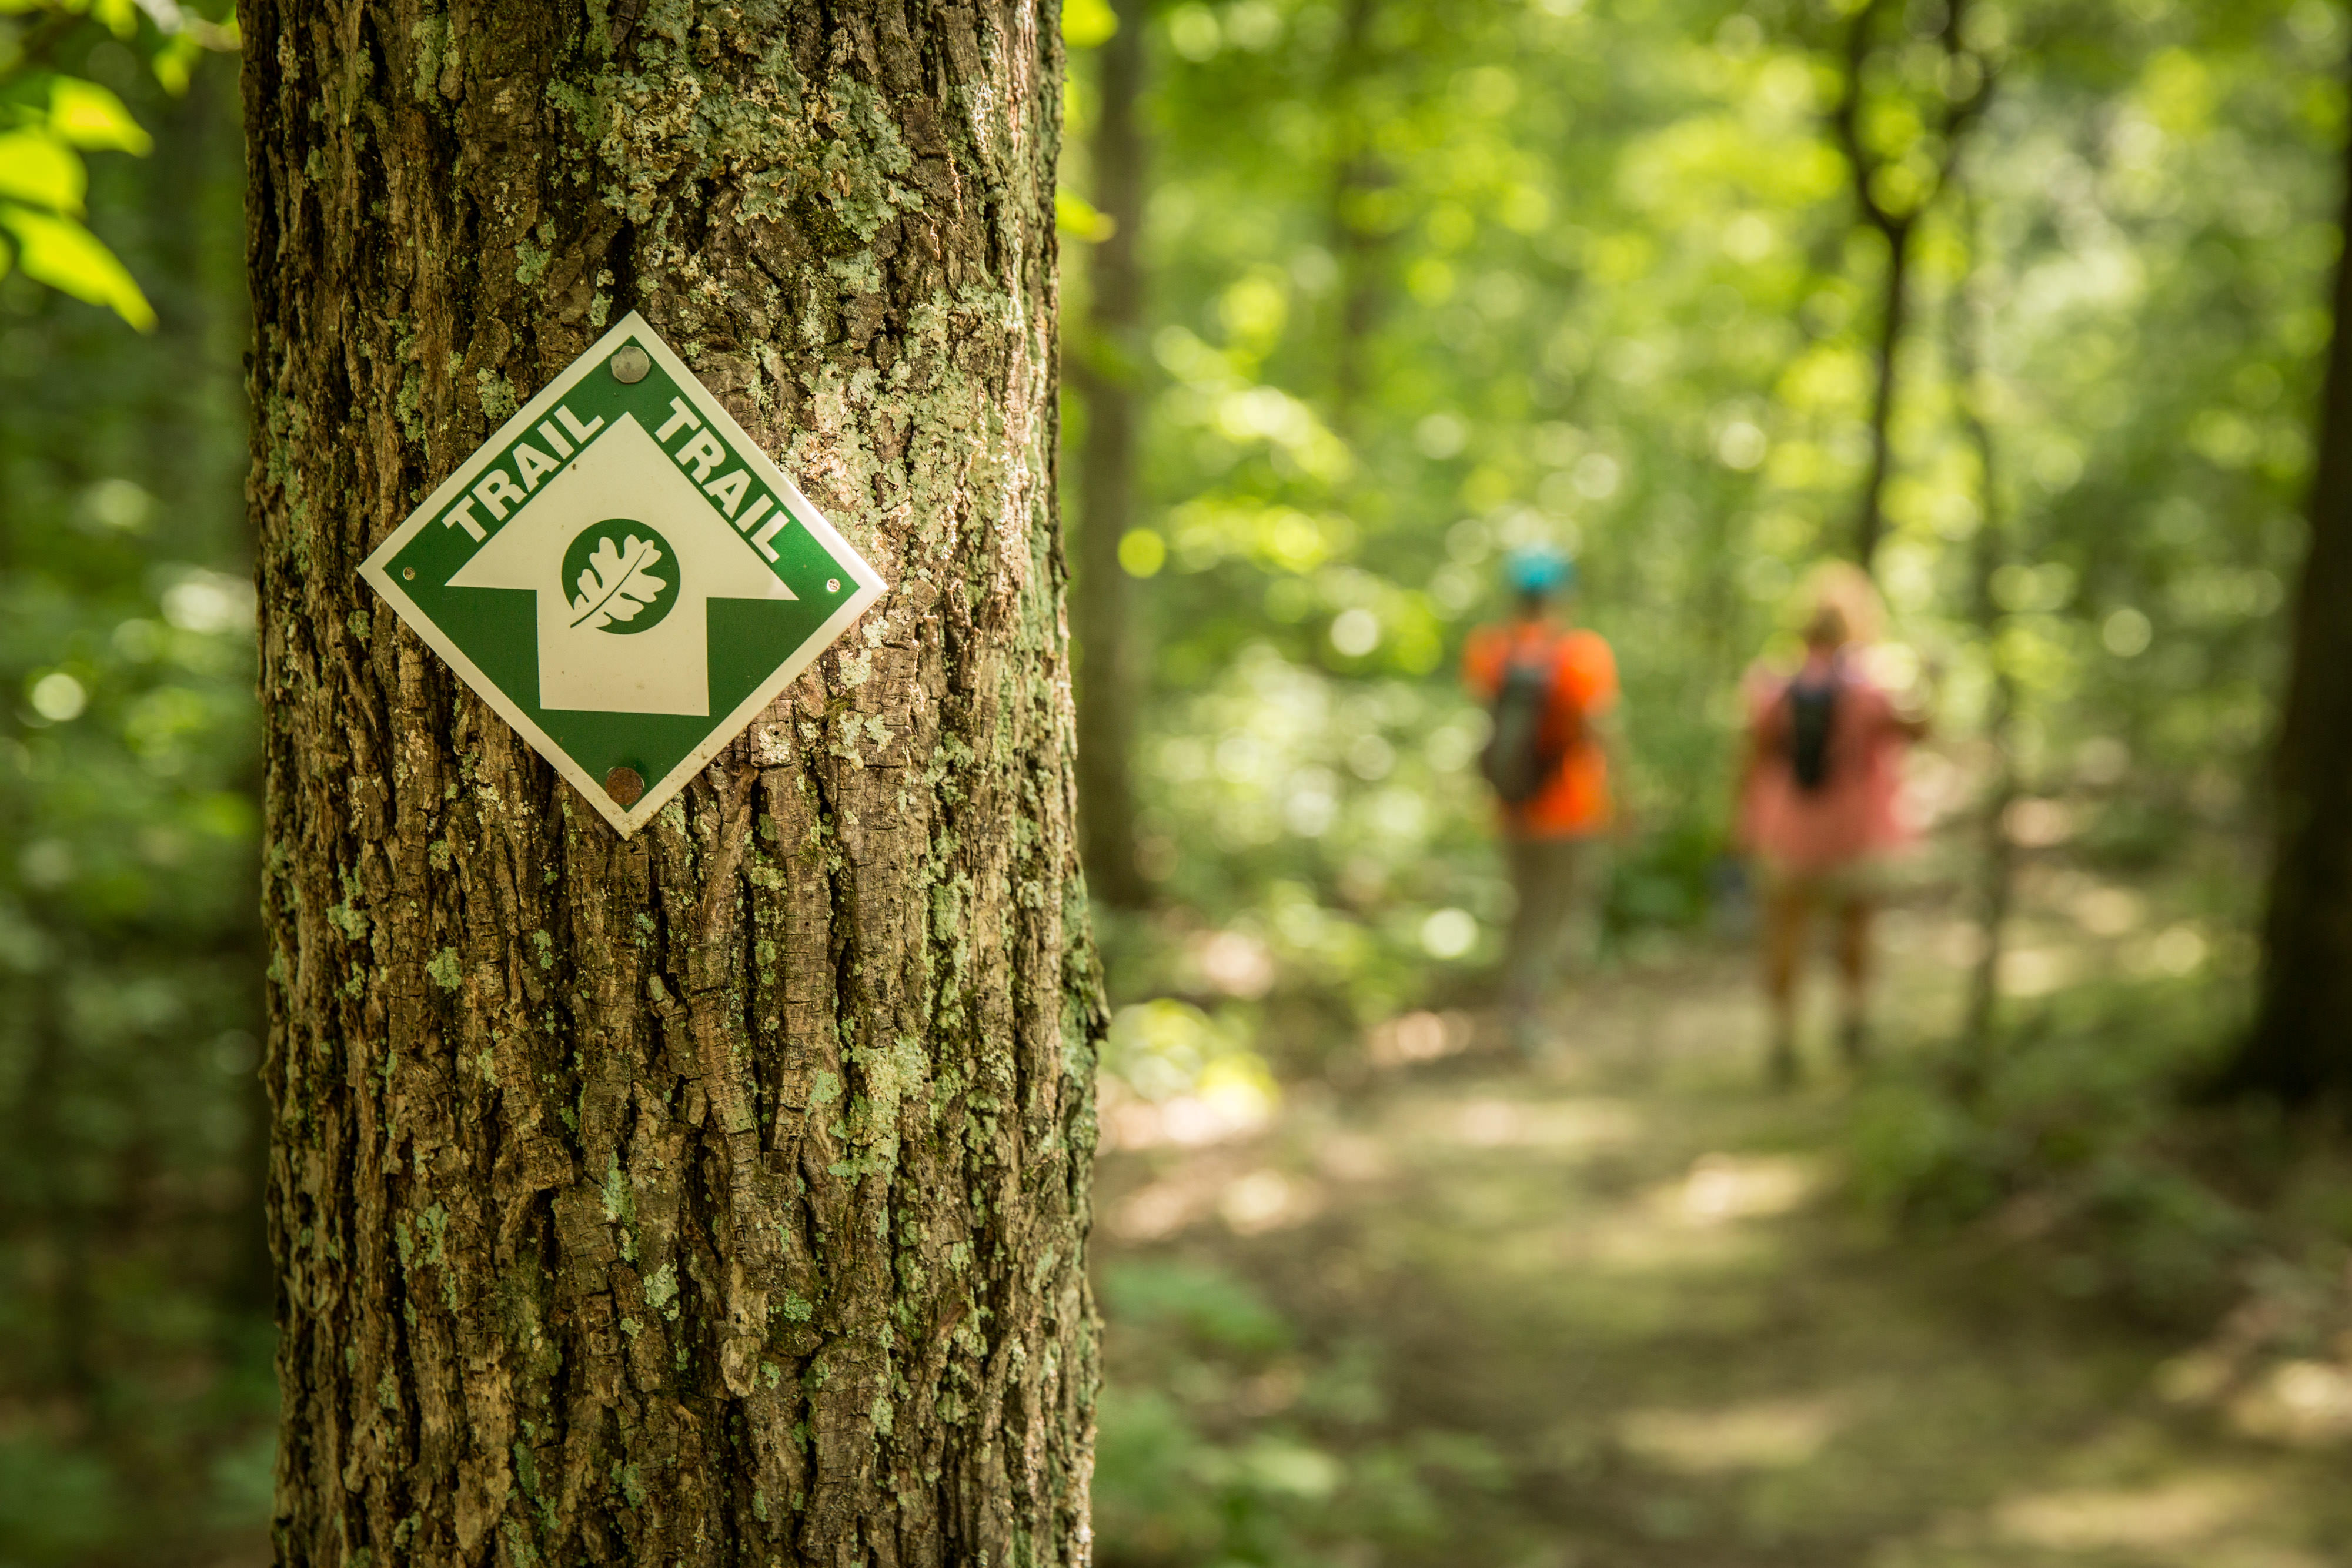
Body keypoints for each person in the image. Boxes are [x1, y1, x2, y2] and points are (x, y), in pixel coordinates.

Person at [1736, 569, 1926, 1085]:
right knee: (1856, 925)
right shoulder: (1871, 684)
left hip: (1785, 830)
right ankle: (1854, 1021)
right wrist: (1933, 681)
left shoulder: (1772, 682)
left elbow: (1753, 756)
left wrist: (1741, 826)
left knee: (1784, 931)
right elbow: (1917, 731)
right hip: (1854, 830)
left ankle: (1782, 1038)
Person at [1462, 545, 1623, 1052]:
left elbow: (1486, 723)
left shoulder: (1489, 649)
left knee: (1524, 909)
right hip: (1572, 808)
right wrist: (1624, 796)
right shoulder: (1583, 654)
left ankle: (1521, 1008)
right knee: (1559, 915)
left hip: (1511, 808)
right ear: (1562, 595)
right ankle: (1534, 1015)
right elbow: (1600, 730)